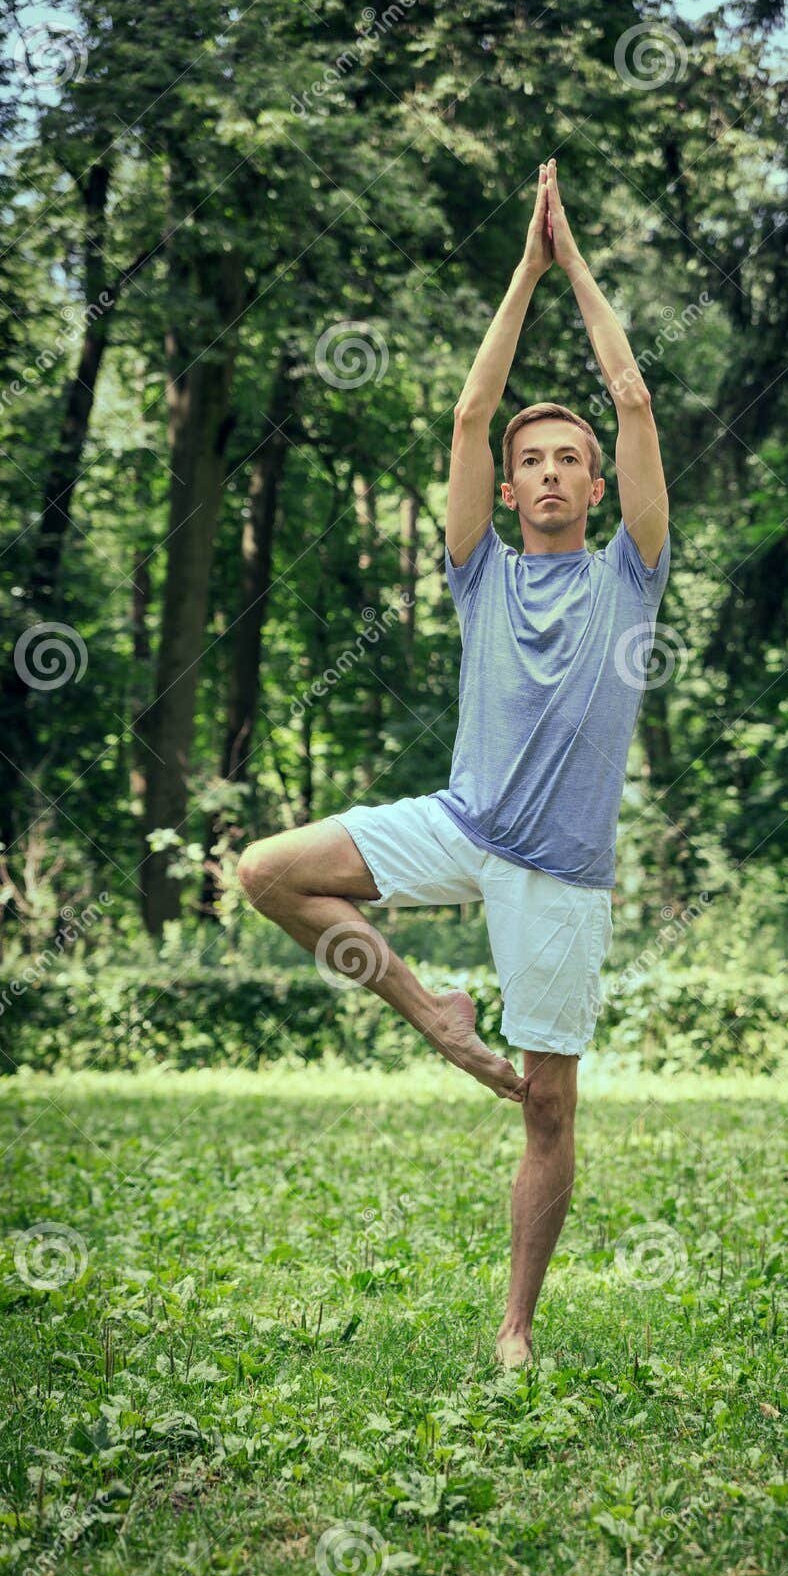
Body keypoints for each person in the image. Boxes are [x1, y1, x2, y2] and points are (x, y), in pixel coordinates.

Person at [238, 159, 670, 1367]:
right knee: (268, 871)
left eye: (563, 458)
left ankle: (517, 1327)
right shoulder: (475, 566)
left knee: (546, 1102)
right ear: (507, 484)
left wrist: (574, 263)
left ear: (591, 485)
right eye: (528, 459)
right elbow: (467, 417)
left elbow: (632, 399)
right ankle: (430, 1007)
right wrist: (519, 272)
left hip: (562, 869)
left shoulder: (629, 571)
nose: (542, 469)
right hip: (462, 819)